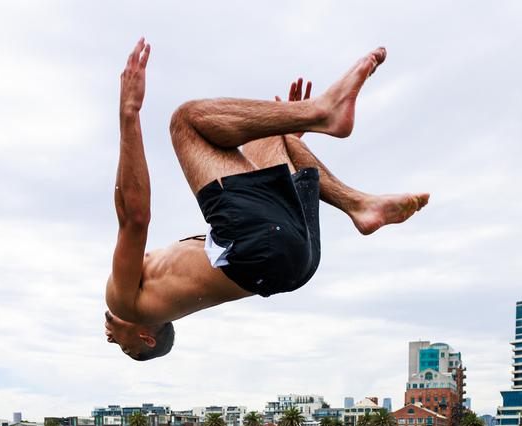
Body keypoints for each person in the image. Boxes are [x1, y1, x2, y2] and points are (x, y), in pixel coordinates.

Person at [105, 38, 429, 361]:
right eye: (123, 346)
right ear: (147, 338)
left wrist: (281, 130)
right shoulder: (126, 302)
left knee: (268, 139)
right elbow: (133, 219)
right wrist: (129, 114)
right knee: (186, 122)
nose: (108, 336)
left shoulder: (172, 282)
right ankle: (319, 113)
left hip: (293, 258)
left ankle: (358, 204)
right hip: (263, 255)